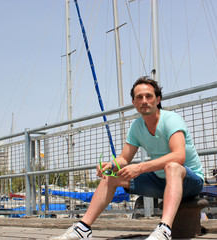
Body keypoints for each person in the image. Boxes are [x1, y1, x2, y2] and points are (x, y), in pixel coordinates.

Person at [51, 76, 204, 240]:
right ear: (134, 102)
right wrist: (110, 165)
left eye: (149, 96)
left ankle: (164, 230)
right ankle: (83, 229)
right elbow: (124, 158)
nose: (144, 101)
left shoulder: (171, 119)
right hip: (161, 181)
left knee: (172, 166)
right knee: (111, 178)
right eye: (139, 97)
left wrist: (140, 167)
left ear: (158, 99)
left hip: (189, 181)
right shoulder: (136, 126)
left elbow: (179, 156)